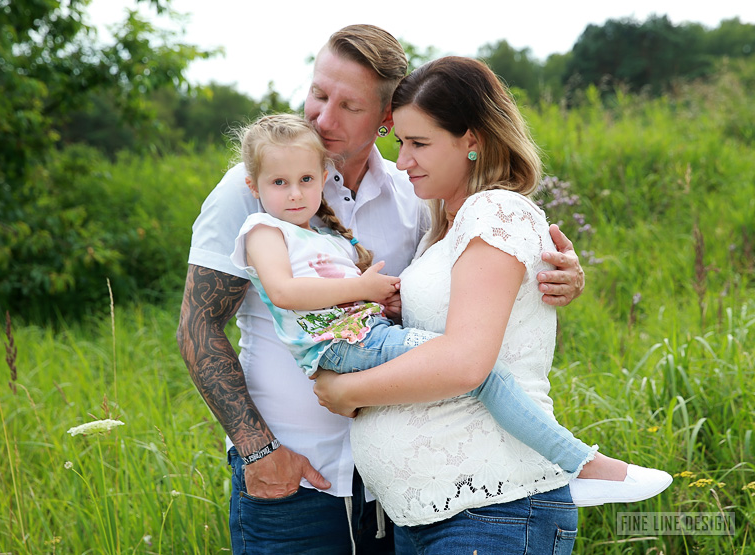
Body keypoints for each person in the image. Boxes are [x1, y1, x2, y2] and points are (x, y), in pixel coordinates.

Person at [177, 25, 586, 555]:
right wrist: (259, 451)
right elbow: (198, 324)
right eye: (318, 94)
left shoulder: (412, 191)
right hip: (292, 482)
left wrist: (554, 272)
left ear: (387, 116)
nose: (323, 118)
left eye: (349, 106)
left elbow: (457, 285)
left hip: (399, 495)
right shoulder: (253, 186)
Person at [312, 56, 672, 554]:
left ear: (473, 140)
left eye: (420, 144)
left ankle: (588, 465)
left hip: (493, 512)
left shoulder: (495, 210)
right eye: (401, 144)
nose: (404, 161)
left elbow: (465, 363)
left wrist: (346, 391)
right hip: (433, 518)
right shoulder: (443, 229)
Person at [228, 112, 672, 505]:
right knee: (478, 371)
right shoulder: (263, 229)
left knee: (468, 367)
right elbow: (283, 292)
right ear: (253, 186)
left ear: (324, 177)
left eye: (306, 180)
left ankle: (572, 464)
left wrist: (385, 301)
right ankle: (579, 463)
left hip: (363, 338)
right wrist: (362, 287)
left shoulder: (328, 236)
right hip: (348, 346)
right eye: (279, 183)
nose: (294, 193)